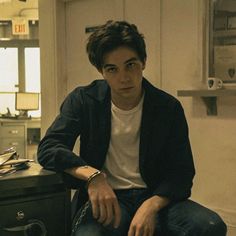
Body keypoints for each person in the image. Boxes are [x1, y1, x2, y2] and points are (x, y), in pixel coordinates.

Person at [37, 20, 227, 236]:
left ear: (143, 62)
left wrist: (151, 206)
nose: (124, 77)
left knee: (210, 226)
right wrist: (93, 176)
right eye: (112, 69)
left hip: (155, 196)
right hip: (108, 198)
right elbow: (48, 148)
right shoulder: (84, 100)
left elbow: (182, 173)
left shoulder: (167, 107)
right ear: (101, 71)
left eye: (130, 65)